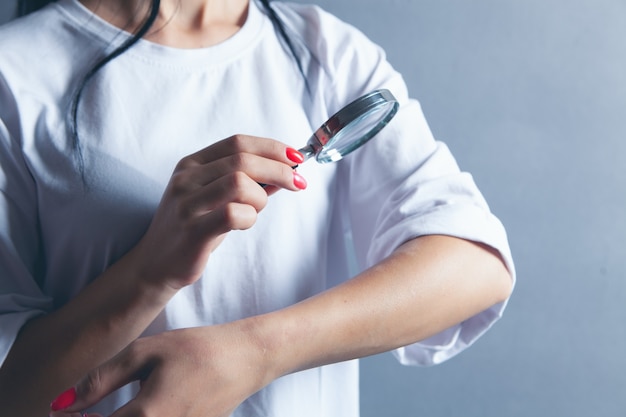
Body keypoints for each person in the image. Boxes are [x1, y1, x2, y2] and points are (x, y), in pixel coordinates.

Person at [0, 0, 515, 416]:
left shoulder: (327, 51)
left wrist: (256, 352)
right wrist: (150, 272)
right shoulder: (16, 70)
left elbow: (475, 262)